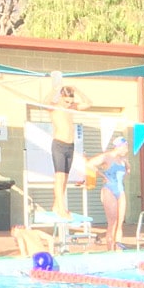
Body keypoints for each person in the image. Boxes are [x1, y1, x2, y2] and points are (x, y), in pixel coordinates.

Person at [46, 76, 91, 217]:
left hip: (70, 146)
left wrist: (77, 90)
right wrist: (55, 89)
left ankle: (55, 205)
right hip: (59, 145)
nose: (68, 104)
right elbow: (44, 102)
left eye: (70, 101)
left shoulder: (71, 107)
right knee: (59, 178)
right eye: (66, 101)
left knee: (65, 178)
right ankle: (61, 208)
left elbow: (89, 103)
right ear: (60, 97)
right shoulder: (54, 107)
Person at [86, 135, 130, 251]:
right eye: (126, 147)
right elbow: (89, 163)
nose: (127, 150)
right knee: (113, 222)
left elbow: (126, 174)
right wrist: (101, 175)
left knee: (120, 223)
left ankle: (118, 249)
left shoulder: (123, 160)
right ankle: (110, 250)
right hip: (109, 190)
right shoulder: (107, 157)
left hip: (120, 190)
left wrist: (127, 165)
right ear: (119, 147)